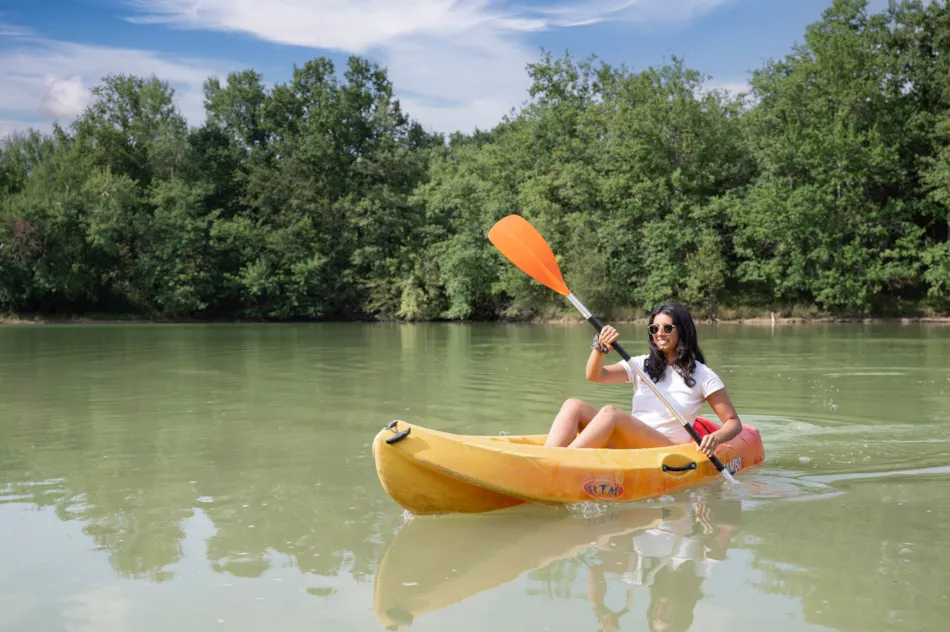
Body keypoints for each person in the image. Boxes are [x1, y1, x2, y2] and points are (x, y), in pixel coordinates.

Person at [543, 302, 741, 455]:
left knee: (611, 413)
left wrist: (715, 438)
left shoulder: (703, 375)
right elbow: (595, 375)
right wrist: (600, 347)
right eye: (654, 329)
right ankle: (546, 458)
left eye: (667, 328)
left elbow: (733, 422)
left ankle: (562, 462)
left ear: (682, 331)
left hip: (666, 448)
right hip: (632, 442)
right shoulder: (641, 364)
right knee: (573, 405)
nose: (659, 334)